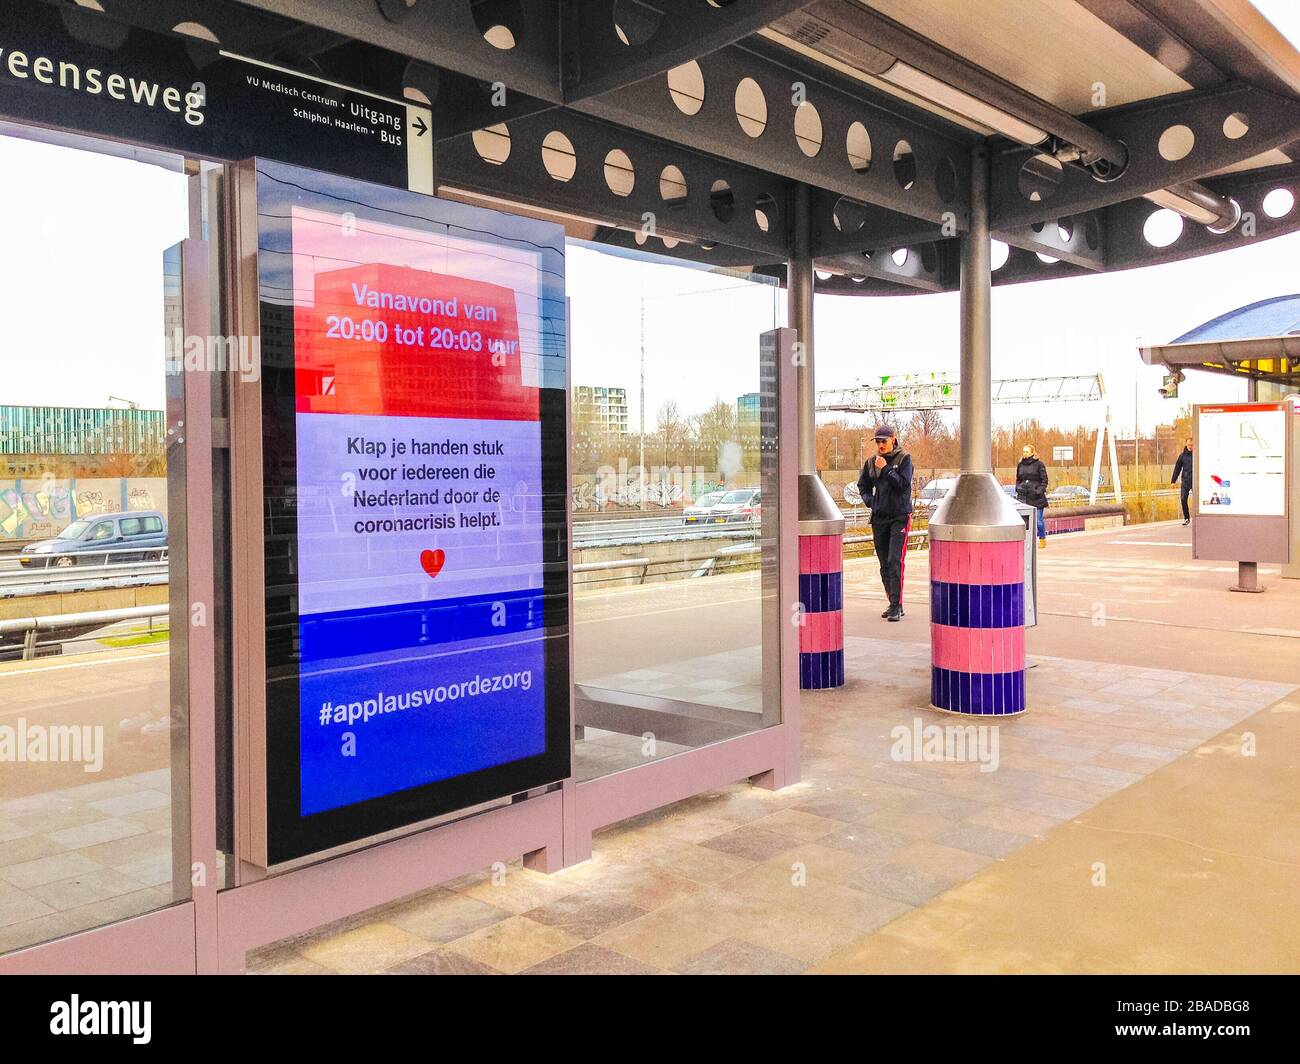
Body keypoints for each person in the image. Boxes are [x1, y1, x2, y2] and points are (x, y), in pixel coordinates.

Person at [857, 423, 913, 622]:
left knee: (894, 560)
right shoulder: (871, 462)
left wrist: (887, 469)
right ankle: (893, 602)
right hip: (879, 518)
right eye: (878, 441)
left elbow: (903, 486)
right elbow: (862, 485)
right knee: (883, 564)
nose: (881, 445)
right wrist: (872, 502)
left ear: (893, 439)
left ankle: (897, 605)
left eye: (884, 441)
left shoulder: (904, 459)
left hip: (899, 516)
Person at [1015, 444, 1049, 548]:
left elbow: (1045, 480)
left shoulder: (1039, 464)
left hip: (1036, 497)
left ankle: (1042, 538)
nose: (1024, 453)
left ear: (1032, 452)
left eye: (1027, 451)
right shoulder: (1020, 465)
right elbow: (1018, 479)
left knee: (1038, 521)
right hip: (1023, 496)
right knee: (1025, 521)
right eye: (1023, 451)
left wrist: (1038, 491)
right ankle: (1027, 541)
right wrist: (1018, 487)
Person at [1170, 437, 1193, 525]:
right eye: (1189, 445)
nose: (1190, 446)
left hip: (1195, 482)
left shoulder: (1198, 455)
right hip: (1185, 481)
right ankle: (1186, 518)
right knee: (1183, 499)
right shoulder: (1182, 456)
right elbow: (1177, 469)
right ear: (1186, 444)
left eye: (1192, 445)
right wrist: (1173, 481)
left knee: (1197, 502)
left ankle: (1199, 518)